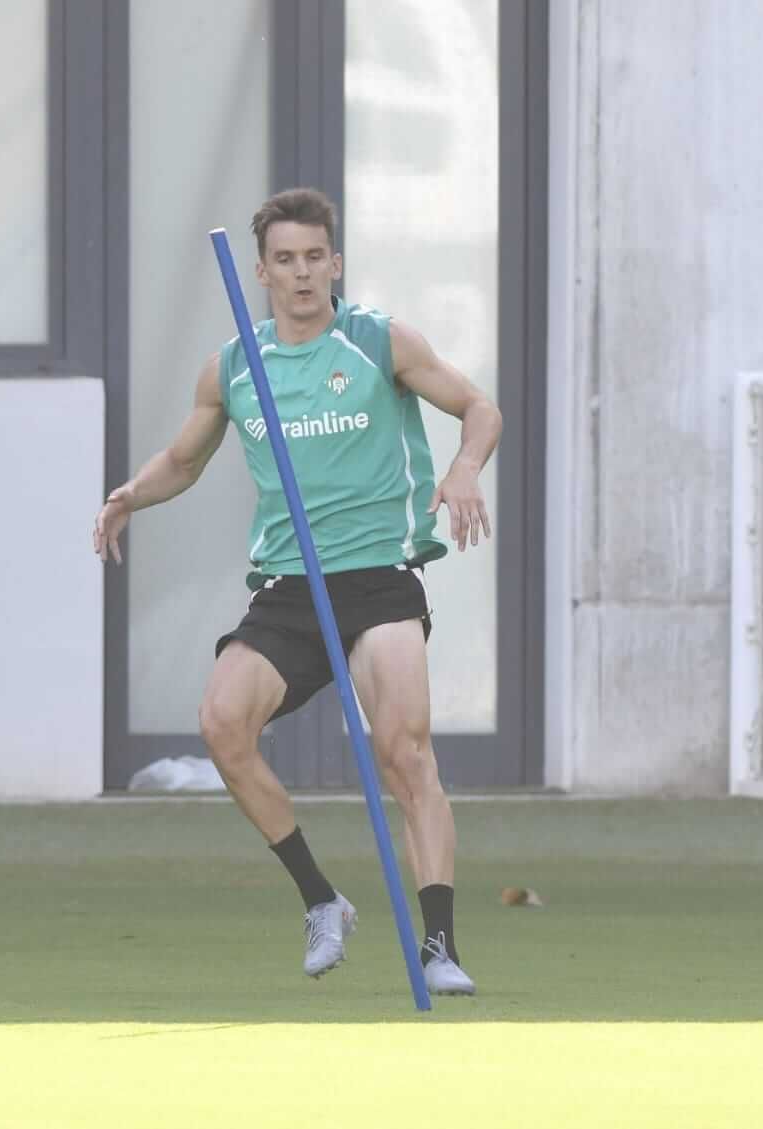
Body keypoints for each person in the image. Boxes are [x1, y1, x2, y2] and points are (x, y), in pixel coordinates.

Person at [93, 188, 500, 994]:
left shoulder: (379, 341)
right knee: (222, 724)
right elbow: (184, 459)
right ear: (262, 271)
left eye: (316, 256)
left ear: (335, 263)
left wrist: (462, 468)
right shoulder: (235, 366)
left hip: (379, 574)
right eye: (286, 259)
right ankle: (322, 899)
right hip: (289, 583)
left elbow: (478, 406)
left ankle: (440, 944)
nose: (303, 273)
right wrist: (129, 495)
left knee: (403, 751)